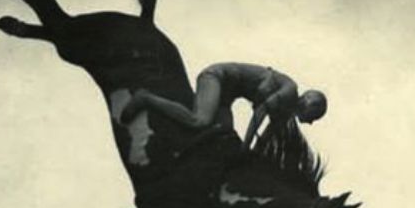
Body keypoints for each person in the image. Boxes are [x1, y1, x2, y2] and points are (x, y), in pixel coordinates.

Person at [120, 62, 327, 147]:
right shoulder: (290, 90)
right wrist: (247, 146)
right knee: (200, 121)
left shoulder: (284, 116)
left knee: (225, 136)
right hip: (217, 78)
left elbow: (264, 139)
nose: (311, 123)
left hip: (227, 96)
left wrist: (251, 157)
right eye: (314, 116)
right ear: (309, 102)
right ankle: (145, 98)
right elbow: (260, 114)